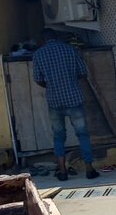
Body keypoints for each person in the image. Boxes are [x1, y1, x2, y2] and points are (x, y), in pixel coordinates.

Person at [33, 29, 99, 183]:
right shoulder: (70, 50)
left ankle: (62, 172)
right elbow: (83, 72)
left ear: (43, 39)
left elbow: (38, 78)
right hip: (74, 99)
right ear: (57, 37)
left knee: (58, 137)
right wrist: (71, 80)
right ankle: (89, 169)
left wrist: (51, 86)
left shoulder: (38, 54)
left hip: (54, 101)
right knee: (82, 134)